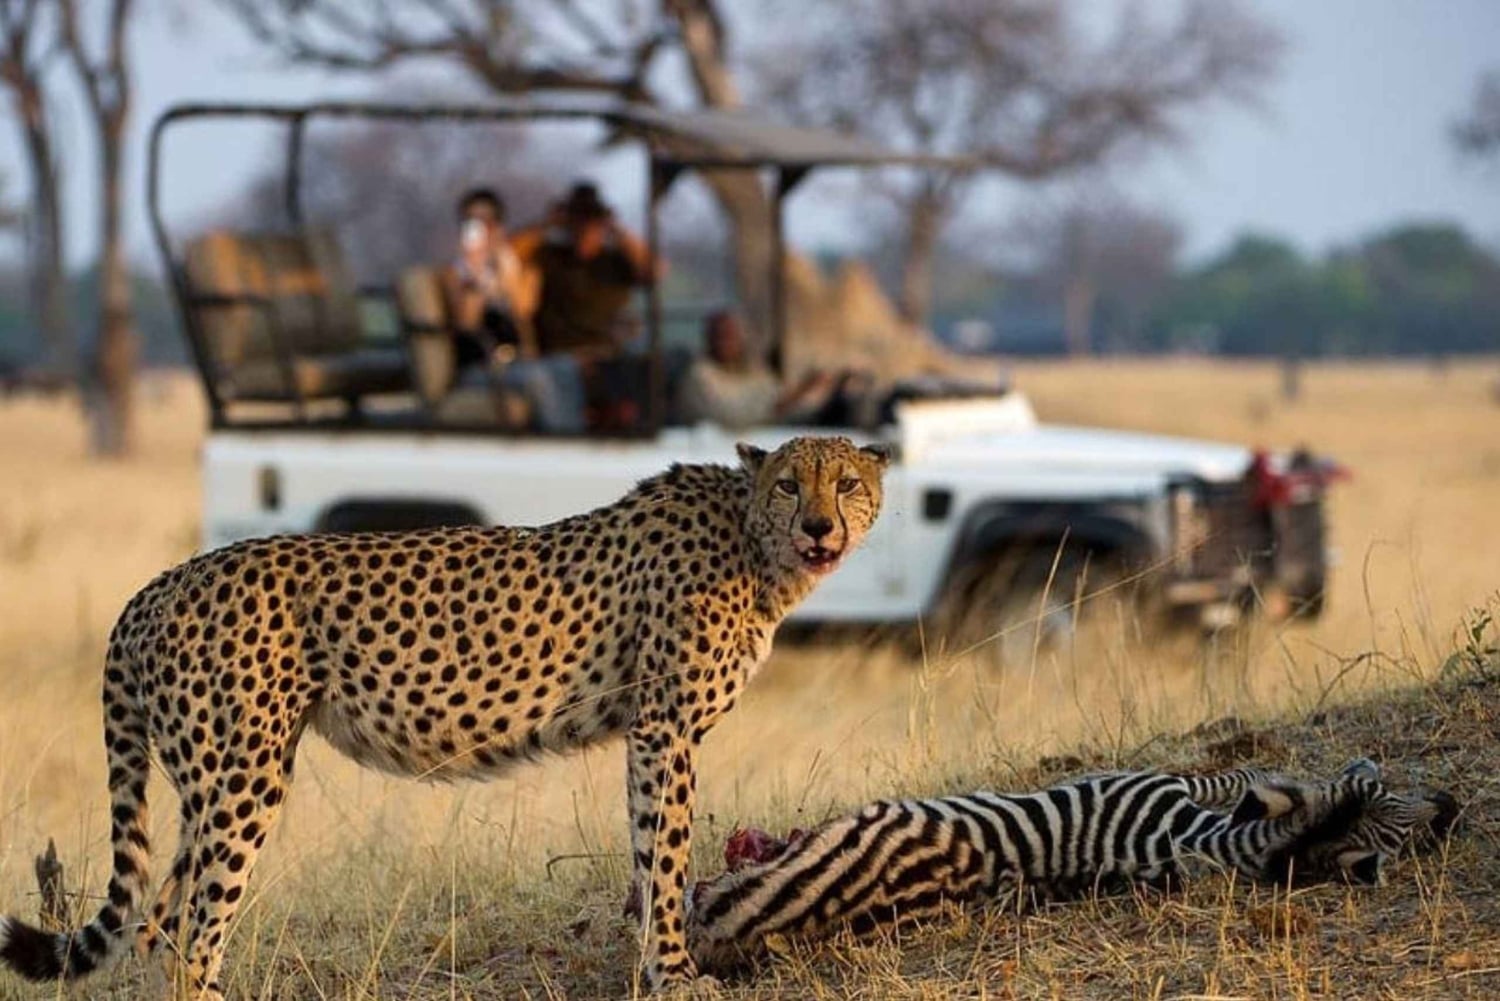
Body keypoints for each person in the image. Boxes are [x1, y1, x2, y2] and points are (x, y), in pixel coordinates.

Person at [512, 182, 661, 359]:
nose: (584, 229)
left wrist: (616, 228)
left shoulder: (615, 261)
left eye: (591, 221)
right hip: (558, 354)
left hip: (608, 352)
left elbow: (655, 270)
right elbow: (508, 254)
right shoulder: (551, 256)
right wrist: (547, 223)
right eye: (578, 220)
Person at [677, 311, 840, 428]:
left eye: (731, 336)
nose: (726, 342)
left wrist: (823, 393)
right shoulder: (699, 375)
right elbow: (734, 416)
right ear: (709, 339)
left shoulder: (754, 371)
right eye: (720, 336)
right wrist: (796, 394)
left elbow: (782, 402)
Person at [440, 188, 534, 368]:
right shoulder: (454, 273)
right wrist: (475, 273)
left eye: (487, 223)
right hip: (480, 362)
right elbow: (466, 323)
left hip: (515, 357)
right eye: (472, 223)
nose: (482, 230)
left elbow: (523, 310)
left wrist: (505, 270)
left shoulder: (511, 264)